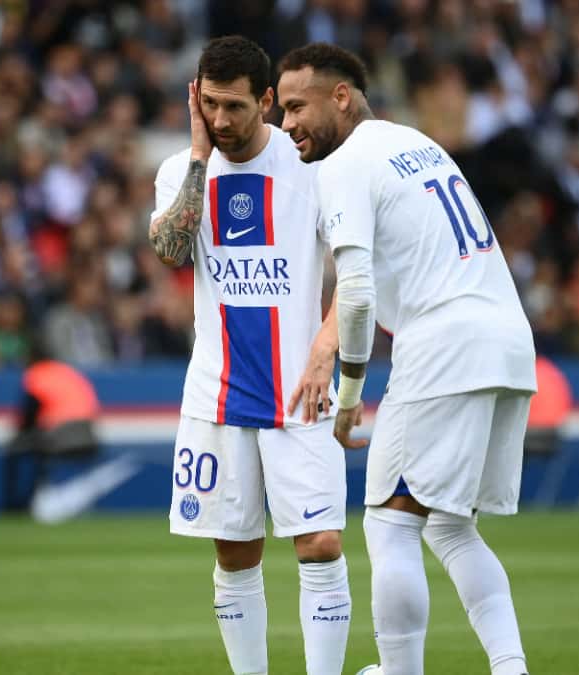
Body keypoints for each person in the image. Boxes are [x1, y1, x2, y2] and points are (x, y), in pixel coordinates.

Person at [278, 44, 537, 675]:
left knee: (390, 527)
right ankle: (511, 668)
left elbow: (358, 291)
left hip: (445, 346)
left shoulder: (346, 163)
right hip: (506, 339)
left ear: (341, 96)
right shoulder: (416, 144)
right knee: (448, 527)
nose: (287, 125)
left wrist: (348, 396)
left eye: (296, 106)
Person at [148, 36, 350, 675]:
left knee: (319, 544)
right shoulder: (181, 171)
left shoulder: (312, 167)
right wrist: (201, 160)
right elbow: (171, 252)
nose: (223, 120)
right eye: (209, 105)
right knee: (234, 554)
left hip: (300, 389)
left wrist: (329, 345)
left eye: (235, 106)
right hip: (217, 392)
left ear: (267, 99)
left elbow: (358, 268)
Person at [5, 340, 136, 524]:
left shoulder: (36, 375)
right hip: (89, 435)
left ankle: (20, 503)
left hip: (61, 436)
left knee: (17, 448)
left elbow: (28, 416)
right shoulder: (68, 372)